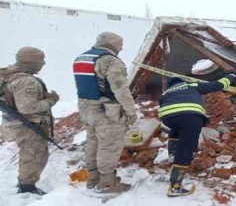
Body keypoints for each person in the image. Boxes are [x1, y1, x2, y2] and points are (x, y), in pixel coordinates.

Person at [73, 32, 137, 193]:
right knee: (109, 145)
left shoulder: (81, 58)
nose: (121, 48)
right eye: (120, 44)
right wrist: (130, 111)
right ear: (112, 44)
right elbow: (120, 89)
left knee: (92, 142)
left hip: (86, 108)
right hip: (107, 110)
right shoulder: (110, 60)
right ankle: (107, 183)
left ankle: (93, 178)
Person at [159, 73, 236, 197]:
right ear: (182, 81)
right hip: (191, 116)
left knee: (176, 128)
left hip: (167, 117)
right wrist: (231, 76)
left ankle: (173, 154)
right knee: (186, 146)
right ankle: (175, 187)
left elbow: (163, 105)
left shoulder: (166, 92)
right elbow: (219, 85)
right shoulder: (191, 85)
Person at [0, 47, 59, 195]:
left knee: (30, 153)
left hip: (13, 122)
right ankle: (27, 187)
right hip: (28, 123)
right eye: (41, 60)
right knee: (33, 155)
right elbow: (28, 107)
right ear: (31, 61)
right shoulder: (26, 81)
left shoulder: (8, 74)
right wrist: (51, 100)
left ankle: (26, 183)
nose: (43, 63)